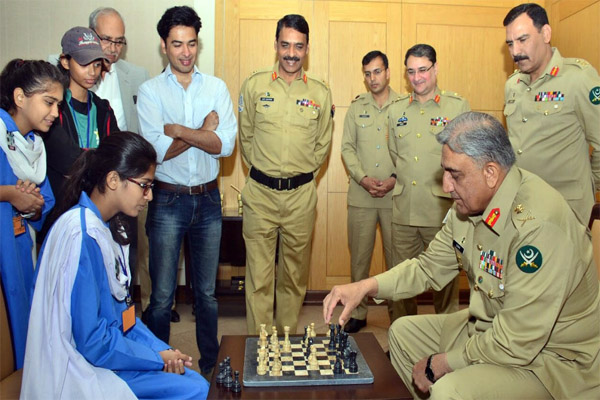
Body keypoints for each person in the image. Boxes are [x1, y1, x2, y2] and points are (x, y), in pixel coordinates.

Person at [324, 112, 600, 399]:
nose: (445, 186)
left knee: (449, 389)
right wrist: (366, 286)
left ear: (491, 173)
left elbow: (516, 341)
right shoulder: (468, 206)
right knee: (404, 333)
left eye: (455, 175)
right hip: (488, 327)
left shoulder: (538, 227)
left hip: (551, 363)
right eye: (445, 171)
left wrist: (442, 363)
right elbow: (427, 269)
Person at [21, 132, 209, 400]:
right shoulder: (81, 236)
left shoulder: (103, 226)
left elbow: (125, 317)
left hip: (106, 352)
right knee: (195, 390)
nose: (150, 196)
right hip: (80, 369)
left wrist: (163, 350)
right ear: (112, 180)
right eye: (144, 185)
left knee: (193, 380)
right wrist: (156, 358)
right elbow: (93, 343)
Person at [137, 6, 237, 378]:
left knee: (207, 295)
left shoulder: (216, 88)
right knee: (162, 297)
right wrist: (201, 129)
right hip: (166, 199)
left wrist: (178, 129)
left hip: (209, 200)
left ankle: (211, 367)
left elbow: (224, 145)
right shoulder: (149, 92)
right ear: (164, 46)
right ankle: (155, 366)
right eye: (177, 44)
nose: (185, 52)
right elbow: (156, 150)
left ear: (198, 44)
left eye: (191, 44)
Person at [239, 14, 333, 335]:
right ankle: (260, 345)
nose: (291, 53)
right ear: (276, 45)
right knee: (259, 278)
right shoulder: (254, 85)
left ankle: (285, 341)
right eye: (285, 45)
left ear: (307, 49)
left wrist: (298, 177)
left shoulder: (320, 93)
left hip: (301, 197)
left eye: (298, 46)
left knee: (294, 277)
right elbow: (246, 138)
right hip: (260, 194)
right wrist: (266, 173)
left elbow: (322, 146)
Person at [386, 44, 469, 320]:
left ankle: (446, 346)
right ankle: (401, 340)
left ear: (435, 69)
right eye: (411, 71)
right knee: (401, 283)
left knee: (444, 283)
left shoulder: (456, 107)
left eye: (423, 70)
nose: (417, 77)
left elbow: (466, 158)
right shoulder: (396, 110)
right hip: (404, 211)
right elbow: (396, 154)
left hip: (441, 212)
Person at [503, 3, 600, 225]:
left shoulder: (578, 78)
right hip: (523, 205)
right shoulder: (512, 85)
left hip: (566, 210)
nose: (515, 51)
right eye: (510, 43)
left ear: (546, 33)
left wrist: (588, 184)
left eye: (523, 40)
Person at [0, 59, 64, 369]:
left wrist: (33, 203)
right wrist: (9, 193)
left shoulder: (35, 145)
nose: (54, 113)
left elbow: (44, 203)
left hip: (21, 244)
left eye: (57, 105)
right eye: (48, 102)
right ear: (20, 97)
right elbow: (15, 194)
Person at [89, 6, 151, 285]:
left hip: (126, 179)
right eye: (106, 39)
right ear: (91, 35)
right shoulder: (69, 70)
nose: (113, 48)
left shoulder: (136, 76)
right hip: (86, 179)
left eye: (119, 41)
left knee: (127, 252)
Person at [340, 50, 399, 333]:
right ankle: (359, 312)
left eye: (377, 71)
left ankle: (398, 316)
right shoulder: (356, 107)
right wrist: (363, 178)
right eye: (367, 73)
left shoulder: (405, 105)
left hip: (395, 196)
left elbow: (411, 149)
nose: (373, 78)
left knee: (397, 261)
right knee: (359, 259)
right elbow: (347, 148)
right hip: (362, 196)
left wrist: (394, 178)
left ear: (388, 72)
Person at [43, 26, 119, 216]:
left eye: (97, 64)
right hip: (60, 210)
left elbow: (117, 157)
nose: (92, 71)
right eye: (84, 63)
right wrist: (99, 158)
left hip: (99, 209)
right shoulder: (52, 107)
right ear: (65, 62)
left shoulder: (103, 109)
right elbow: (67, 159)